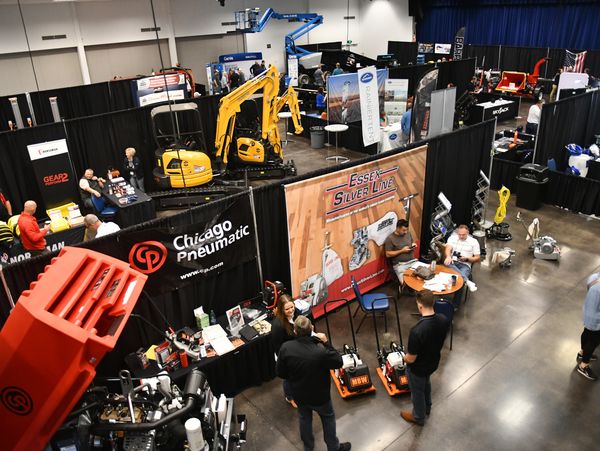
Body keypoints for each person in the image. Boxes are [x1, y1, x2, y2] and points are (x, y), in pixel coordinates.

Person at [277, 316, 351, 451]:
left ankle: (308, 448)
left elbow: (281, 373)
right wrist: (326, 342)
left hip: (300, 394)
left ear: (295, 331)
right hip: (321, 396)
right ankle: (333, 447)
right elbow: (338, 361)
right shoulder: (321, 351)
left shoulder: (286, 348)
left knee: (304, 419)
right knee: (328, 418)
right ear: (311, 328)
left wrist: (295, 378)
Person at [400, 290, 450, 426]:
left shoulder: (417, 331)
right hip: (433, 362)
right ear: (432, 303)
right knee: (426, 383)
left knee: (417, 391)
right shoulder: (443, 320)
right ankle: (427, 407)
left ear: (420, 305)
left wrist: (403, 357)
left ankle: (418, 416)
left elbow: (411, 359)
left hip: (418, 369)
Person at [271, 294, 298, 407]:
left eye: (292, 307)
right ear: (282, 310)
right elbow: (278, 348)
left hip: (295, 352)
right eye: (287, 309)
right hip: (285, 357)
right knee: (288, 379)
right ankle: (290, 397)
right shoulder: (278, 326)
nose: (291, 310)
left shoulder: (295, 313)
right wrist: (287, 361)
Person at [576, 273, 600, 381]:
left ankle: (582, 353)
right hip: (596, 319)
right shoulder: (597, 289)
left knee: (586, 333)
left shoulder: (594, 277)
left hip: (589, 314)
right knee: (593, 341)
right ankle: (583, 365)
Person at [443, 224, 480, 296]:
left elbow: (477, 258)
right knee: (447, 262)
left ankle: (456, 302)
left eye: (463, 235)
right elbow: (448, 249)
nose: (461, 236)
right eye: (459, 234)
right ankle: (467, 281)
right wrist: (448, 256)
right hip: (452, 262)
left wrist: (467, 259)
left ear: (468, 233)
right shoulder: (452, 238)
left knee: (460, 281)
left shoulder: (474, 242)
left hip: (465, 264)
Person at [384, 219, 417, 286]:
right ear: (398, 228)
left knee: (423, 277)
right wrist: (402, 251)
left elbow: (412, 242)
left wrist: (413, 245)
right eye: (403, 230)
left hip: (413, 261)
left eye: (406, 230)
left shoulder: (408, 234)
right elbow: (388, 254)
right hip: (400, 265)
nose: (405, 232)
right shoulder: (390, 238)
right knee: (406, 284)